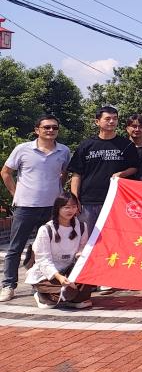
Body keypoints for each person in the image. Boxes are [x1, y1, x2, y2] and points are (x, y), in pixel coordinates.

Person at [1, 116, 71, 302]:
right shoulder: (22, 149)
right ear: (37, 130)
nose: (50, 130)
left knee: (47, 248)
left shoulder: (64, 151)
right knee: (16, 247)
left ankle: (42, 283)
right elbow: (6, 172)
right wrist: (15, 193)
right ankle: (9, 285)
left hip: (51, 208)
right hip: (26, 206)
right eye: (46, 127)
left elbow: (64, 173)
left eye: (54, 127)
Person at [69, 106, 140, 234]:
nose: (112, 121)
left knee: (114, 237)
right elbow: (76, 173)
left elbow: (135, 167)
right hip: (88, 201)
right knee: (86, 238)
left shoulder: (127, 145)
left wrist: (122, 174)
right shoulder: (86, 145)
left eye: (115, 118)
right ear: (97, 121)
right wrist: (74, 198)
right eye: (107, 119)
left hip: (116, 200)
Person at [25, 193, 93, 309]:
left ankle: (70, 297)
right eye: (66, 207)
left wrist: (80, 255)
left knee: (83, 289)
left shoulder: (82, 227)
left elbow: (82, 248)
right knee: (67, 292)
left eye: (74, 206)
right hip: (48, 274)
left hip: (69, 271)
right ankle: (42, 295)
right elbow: (43, 260)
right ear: (58, 209)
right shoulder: (46, 229)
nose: (71, 210)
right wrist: (59, 277)